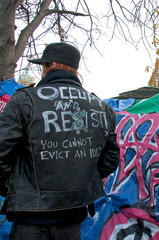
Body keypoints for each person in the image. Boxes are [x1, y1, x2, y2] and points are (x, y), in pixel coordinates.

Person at [0, 42, 120, 240]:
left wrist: (11, 186)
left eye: (43, 66)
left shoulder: (25, 100)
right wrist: (82, 178)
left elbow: (2, 152)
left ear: (51, 65)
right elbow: (110, 159)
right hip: (73, 214)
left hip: (30, 216)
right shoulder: (100, 107)